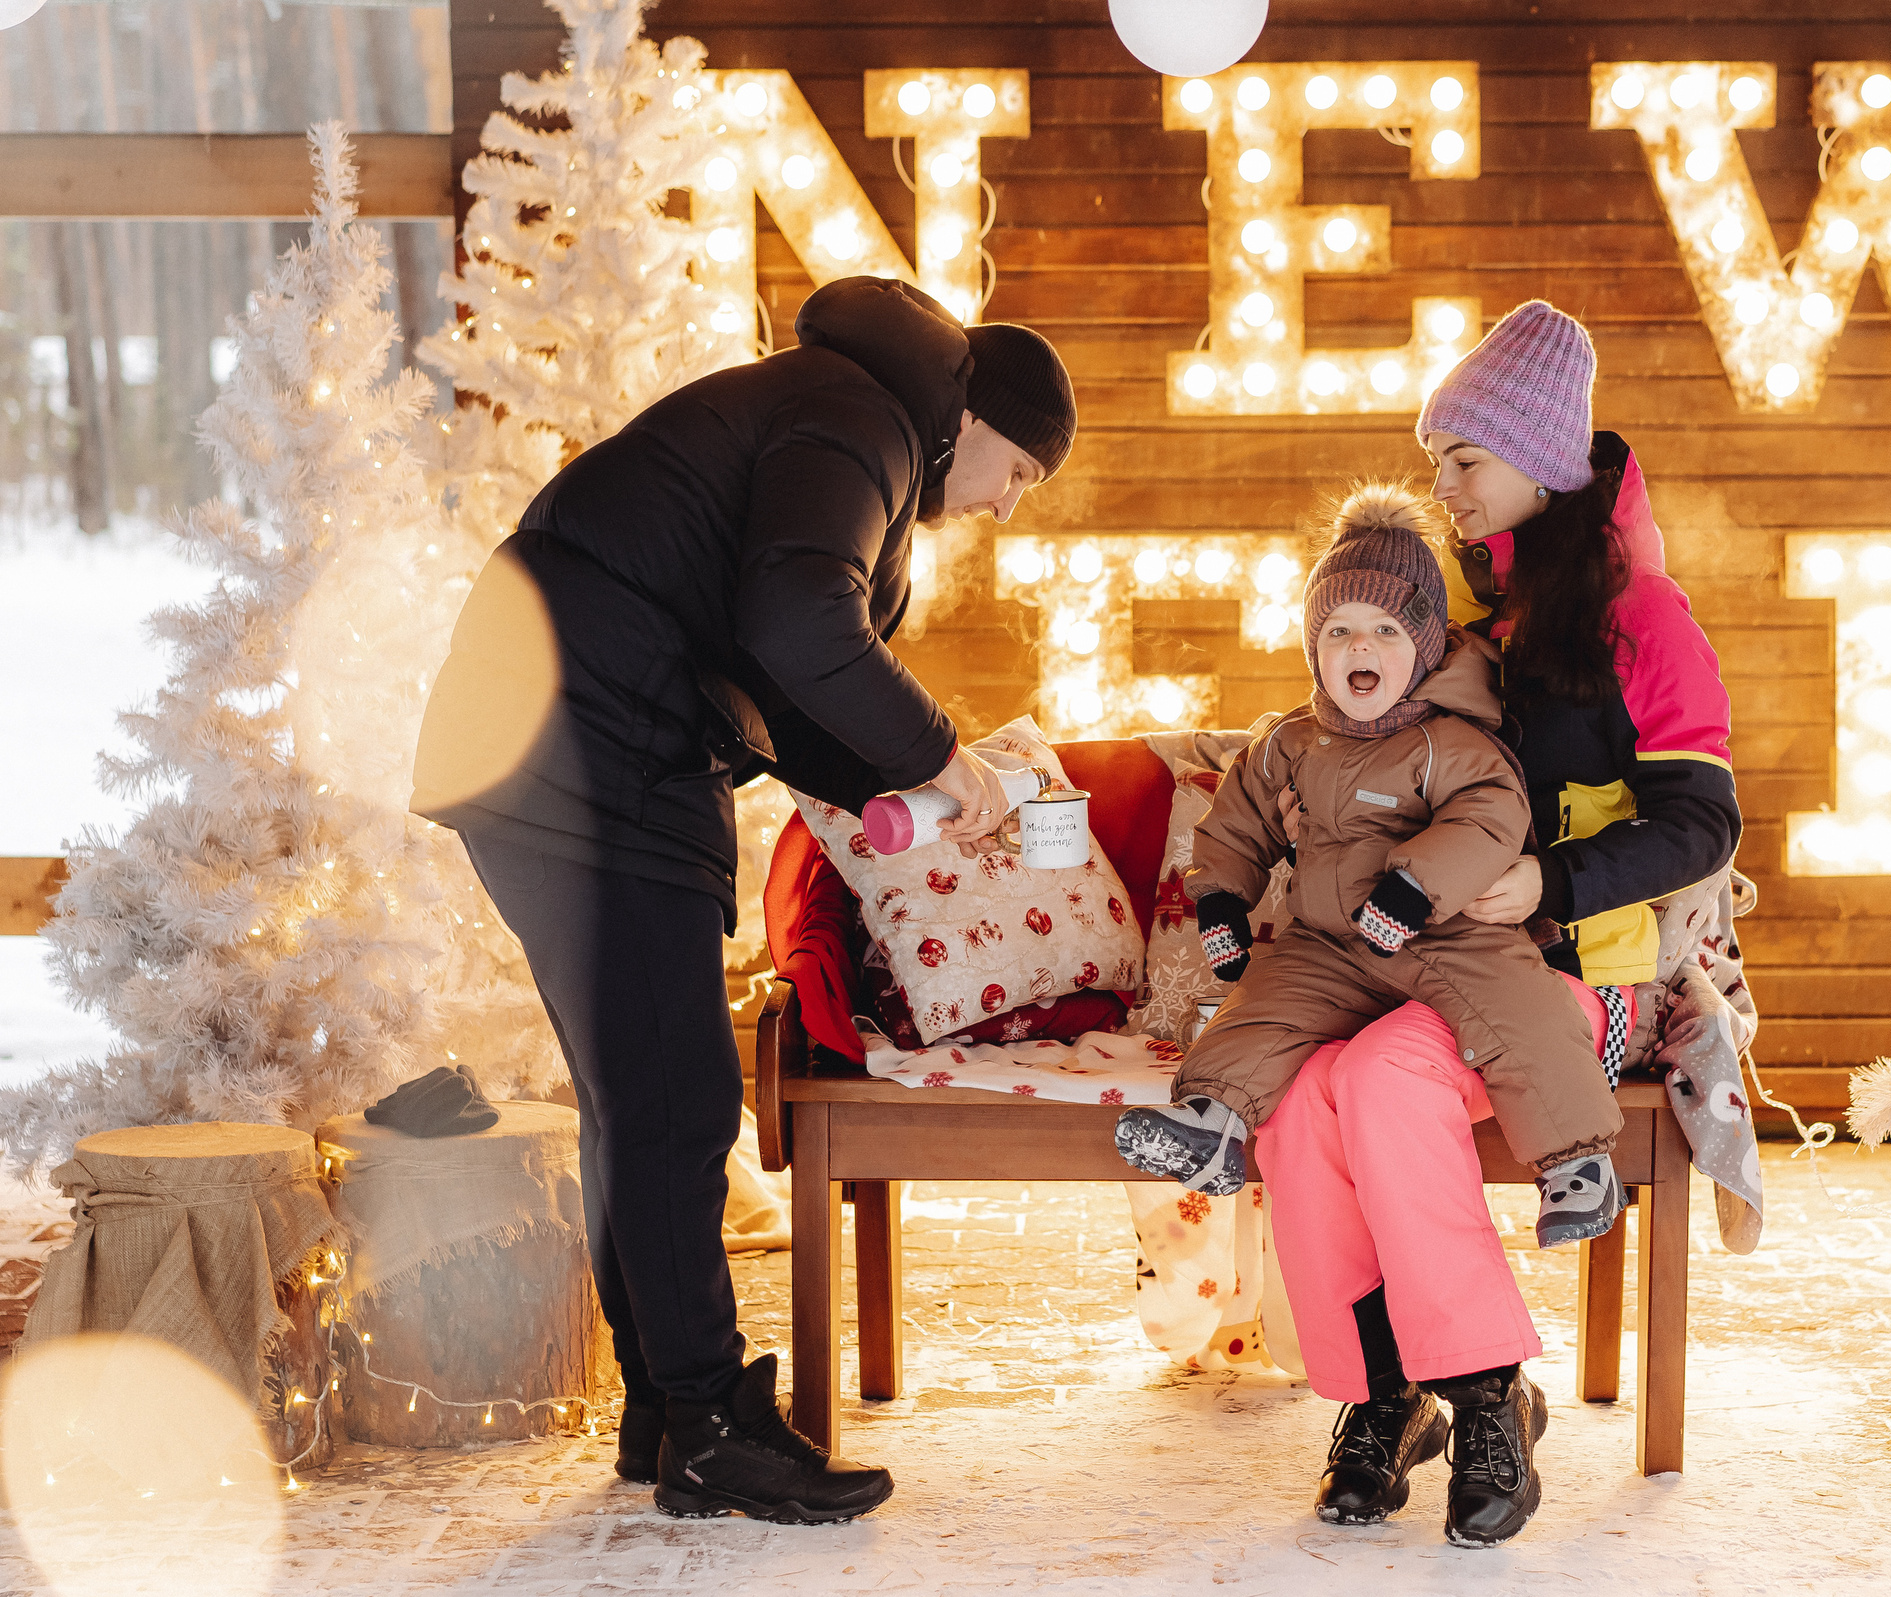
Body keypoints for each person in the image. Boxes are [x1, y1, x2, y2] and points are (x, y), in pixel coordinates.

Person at [412, 277, 1077, 1525]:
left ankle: (669, 1410)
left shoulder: (836, 409)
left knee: (638, 1100)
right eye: (1018, 474)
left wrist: (923, 772)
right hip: (588, 745)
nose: (998, 504)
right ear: (974, 414)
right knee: (671, 1099)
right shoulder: (863, 416)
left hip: (560, 736)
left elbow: (781, 680)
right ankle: (711, 1429)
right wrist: (937, 754)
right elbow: (795, 616)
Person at [1251, 301, 1741, 1547]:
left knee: (1387, 1080)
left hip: (1591, 982)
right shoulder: (1477, 634)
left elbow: (1702, 824)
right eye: (1438, 468)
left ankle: (1481, 1399)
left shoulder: (1646, 622)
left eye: (1461, 463)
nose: (1445, 489)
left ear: (1537, 458)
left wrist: (1553, 884)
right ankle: (1383, 1394)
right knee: (1306, 1092)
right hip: (1446, 977)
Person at [1111, 486, 1630, 1249]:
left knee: (1521, 1009)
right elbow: (1239, 819)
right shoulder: (1290, 740)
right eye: (1341, 630)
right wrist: (1222, 899)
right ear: (1313, 648)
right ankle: (1212, 1124)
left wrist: (1414, 884)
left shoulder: (1452, 741)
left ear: (1422, 645)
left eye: (1386, 629)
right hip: (1329, 943)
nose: (1361, 648)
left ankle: (1577, 1162)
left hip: (1447, 933)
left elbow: (1488, 815)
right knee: (1261, 1007)